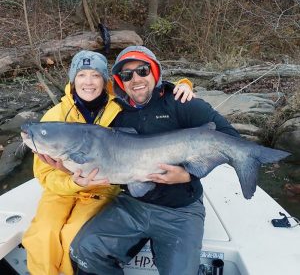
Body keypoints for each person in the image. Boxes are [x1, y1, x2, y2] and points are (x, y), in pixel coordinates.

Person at [69, 46, 240, 275]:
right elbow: (82, 112)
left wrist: (188, 174)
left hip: (181, 210)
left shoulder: (182, 102)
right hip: (132, 205)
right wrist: (69, 169)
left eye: (142, 70)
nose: (136, 79)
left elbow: (231, 141)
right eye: (127, 75)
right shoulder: (114, 113)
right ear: (120, 81)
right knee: (83, 250)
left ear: (155, 71)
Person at [22, 50, 194, 275]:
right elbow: (45, 176)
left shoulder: (120, 104)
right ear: (73, 80)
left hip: (102, 188)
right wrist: (74, 183)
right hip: (61, 191)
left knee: (74, 233)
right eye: (82, 75)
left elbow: (151, 92)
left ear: (105, 81)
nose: (89, 82)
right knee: (42, 236)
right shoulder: (54, 116)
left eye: (95, 75)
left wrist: (184, 85)